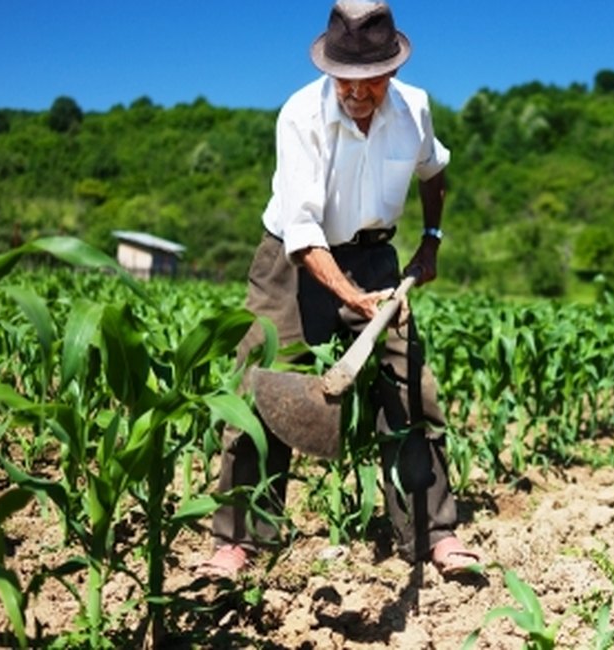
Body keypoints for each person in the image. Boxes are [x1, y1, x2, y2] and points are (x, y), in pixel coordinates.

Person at [199, 0, 479, 577]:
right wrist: (349, 297)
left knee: (409, 387)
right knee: (258, 383)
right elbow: (303, 233)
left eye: (367, 81)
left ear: (391, 70)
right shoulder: (300, 116)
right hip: (291, 260)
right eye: (342, 79)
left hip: (377, 258)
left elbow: (434, 170)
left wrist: (431, 238)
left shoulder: (415, 110)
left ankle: (432, 532)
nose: (353, 93)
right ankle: (239, 538)